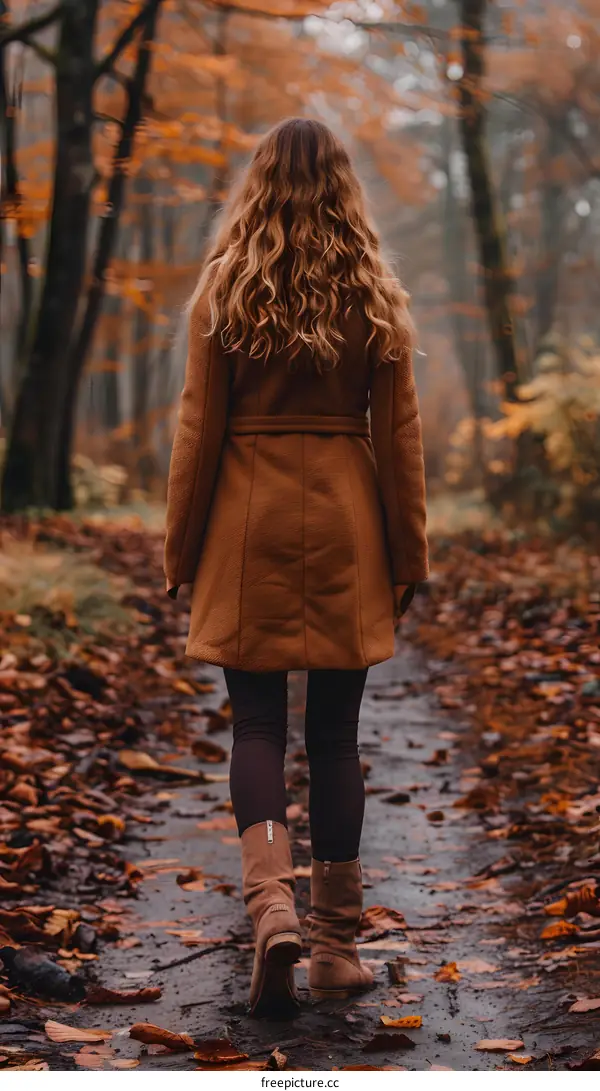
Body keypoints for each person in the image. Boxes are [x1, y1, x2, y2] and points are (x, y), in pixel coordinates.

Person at [164, 117, 428, 1018]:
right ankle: (335, 948)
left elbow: (197, 434)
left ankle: (271, 905)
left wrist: (180, 549)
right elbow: (399, 442)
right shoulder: (377, 296)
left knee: (257, 729)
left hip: (246, 519)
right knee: (336, 737)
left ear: (260, 185)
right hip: (349, 521)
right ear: (346, 190)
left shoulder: (222, 293)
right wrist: (409, 554)